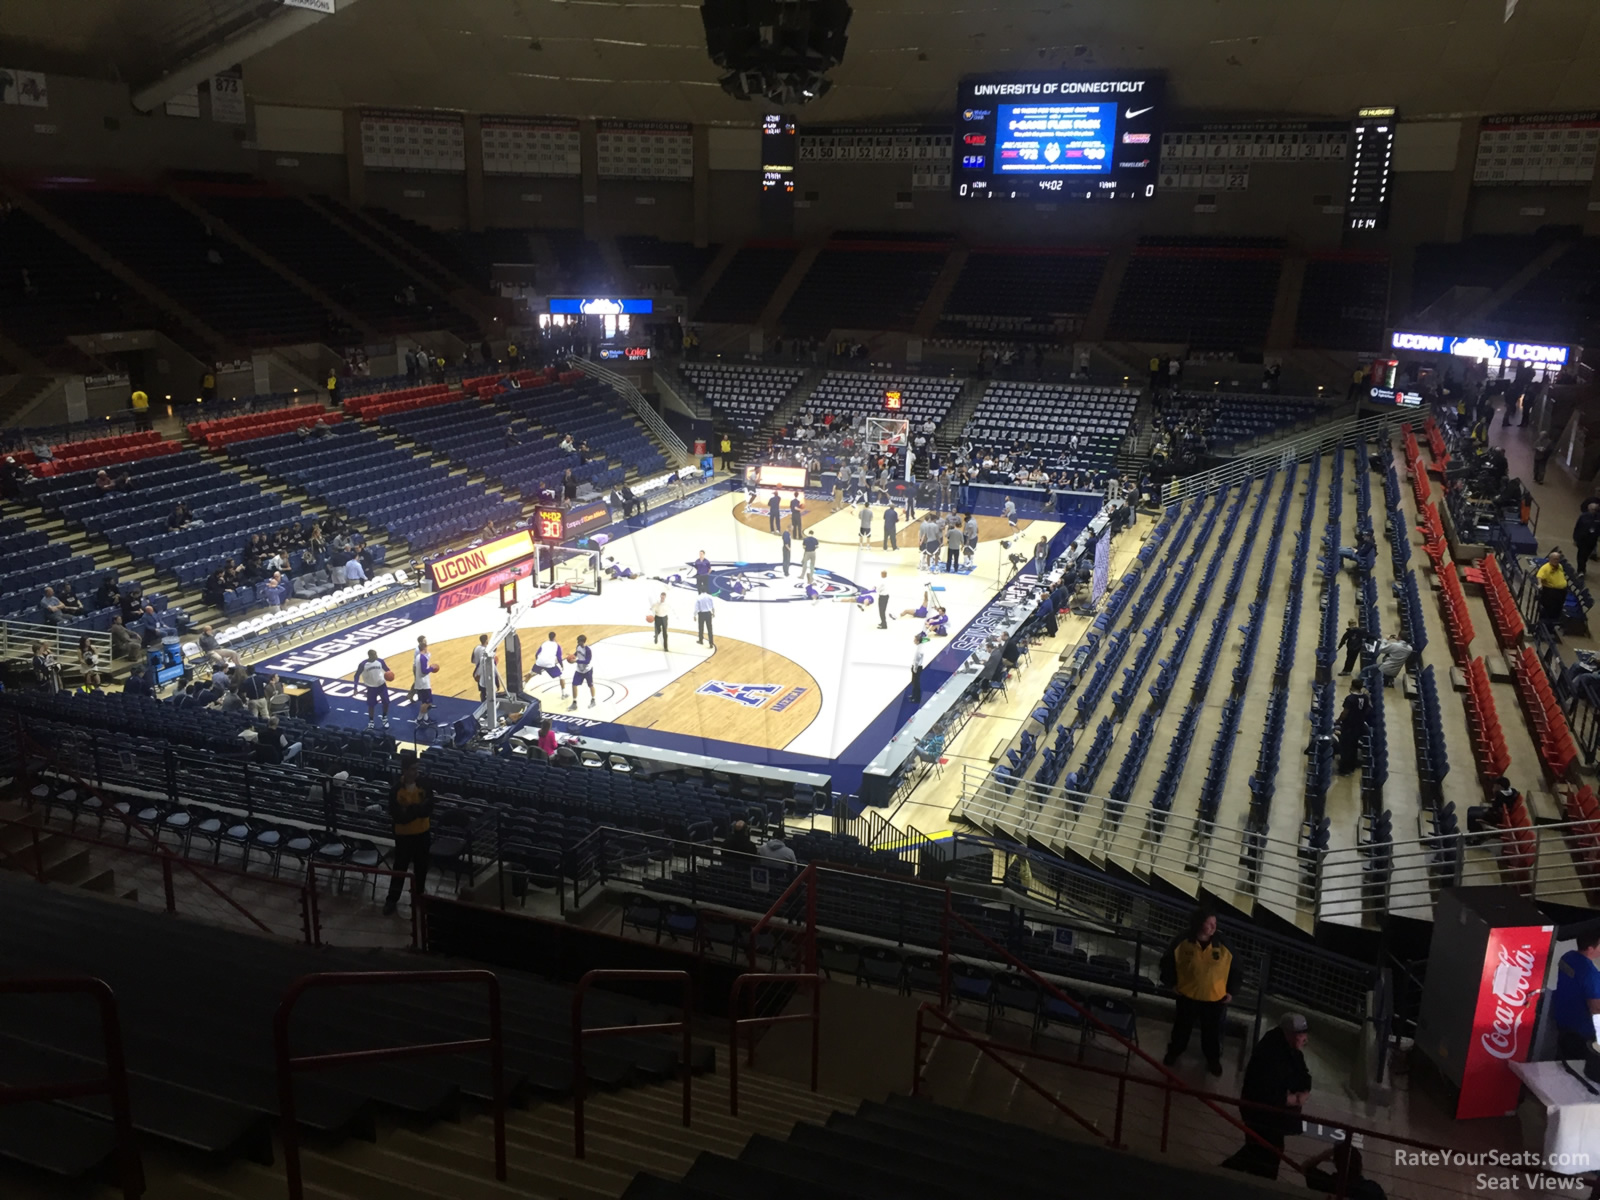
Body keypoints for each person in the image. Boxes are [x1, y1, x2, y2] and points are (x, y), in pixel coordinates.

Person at [1221, 1013, 1312, 1179]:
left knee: (1258, 1150)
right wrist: (1290, 1099)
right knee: (1266, 1153)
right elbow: (1263, 1090)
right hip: (1261, 1113)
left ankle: (1222, 1174)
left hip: (1271, 1115)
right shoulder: (1270, 1053)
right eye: (1300, 1034)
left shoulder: (1291, 1050)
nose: (1304, 1038)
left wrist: (1304, 1091)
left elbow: (1304, 1076)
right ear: (1288, 1033)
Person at [1160, 908, 1237, 1076]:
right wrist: (1171, 983)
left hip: (1215, 998)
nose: (1213, 927)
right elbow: (1167, 963)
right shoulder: (1181, 941)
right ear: (1198, 924)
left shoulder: (1224, 944)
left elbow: (1236, 968)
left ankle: (1213, 1060)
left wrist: (1231, 990)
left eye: (1215, 923)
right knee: (1181, 1028)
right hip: (1187, 996)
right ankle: (1174, 1052)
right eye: (1209, 923)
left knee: (1212, 1032)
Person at [383, 755, 433, 916]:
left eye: (417, 769)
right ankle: (392, 899)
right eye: (412, 769)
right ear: (404, 770)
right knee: (400, 868)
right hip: (404, 836)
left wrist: (410, 810)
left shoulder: (425, 785)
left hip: (423, 834)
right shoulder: (395, 790)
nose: (415, 772)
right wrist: (417, 810)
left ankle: (419, 897)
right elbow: (399, 817)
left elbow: (429, 809)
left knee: (421, 868)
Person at [1551, 928, 1600, 1060]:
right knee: (1576, 1065)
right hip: (1581, 1031)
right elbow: (1595, 1008)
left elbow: (1578, 980)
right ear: (1590, 949)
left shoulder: (1567, 957)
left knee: (1562, 1060)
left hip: (1562, 1020)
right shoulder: (1591, 974)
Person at [1302, 1144, 1385, 1200]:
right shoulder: (1374, 1189)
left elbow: (1306, 1167)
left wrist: (1322, 1156)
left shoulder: (1329, 1184)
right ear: (1360, 1165)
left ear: (1336, 1165)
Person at [1334, 678, 1370, 775]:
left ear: (1352, 686)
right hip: (1359, 725)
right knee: (1354, 746)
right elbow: (1366, 710)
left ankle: (1344, 768)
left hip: (1349, 726)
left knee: (1346, 747)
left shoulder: (1350, 699)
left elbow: (1345, 713)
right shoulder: (1365, 698)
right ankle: (1352, 765)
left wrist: (1338, 721)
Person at [354, 648, 392, 731]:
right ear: (370, 656)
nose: (376, 656)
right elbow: (356, 675)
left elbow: (387, 669)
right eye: (374, 655)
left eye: (376, 654)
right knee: (371, 705)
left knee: (386, 702)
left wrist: (390, 674)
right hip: (371, 687)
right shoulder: (363, 664)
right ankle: (371, 721)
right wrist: (355, 688)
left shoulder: (380, 661)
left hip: (382, 685)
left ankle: (384, 717)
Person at [411, 635, 439, 727]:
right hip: (423, 684)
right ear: (424, 648)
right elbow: (424, 671)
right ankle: (419, 719)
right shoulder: (422, 658)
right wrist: (431, 668)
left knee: (424, 702)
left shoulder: (419, 656)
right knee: (427, 703)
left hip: (421, 683)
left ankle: (426, 719)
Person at [1537, 550, 1569, 625]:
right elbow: (1539, 576)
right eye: (1555, 559)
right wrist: (1540, 584)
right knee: (1549, 610)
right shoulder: (1545, 568)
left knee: (1558, 609)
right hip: (1551, 593)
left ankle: (1553, 625)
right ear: (1550, 559)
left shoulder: (1560, 566)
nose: (1556, 561)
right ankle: (1545, 625)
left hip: (1561, 592)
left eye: (1558, 559)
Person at [533, 631, 566, 702]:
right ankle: (563, 694)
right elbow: (559, 658)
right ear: (554, 637)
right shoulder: (557, 646)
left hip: (539, 662)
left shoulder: (544, 644)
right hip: (549, 664)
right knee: (561, 676)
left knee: (531, 673)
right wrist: (562, 665)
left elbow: (536, 654)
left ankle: (523, 686)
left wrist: (538, 663)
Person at [570, 633, 596, 710]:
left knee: (590, 685)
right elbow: (576, 653)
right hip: (579, 670)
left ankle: (593, 700)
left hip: (587, 670)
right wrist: (572, 656)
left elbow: (587, 661)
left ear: (583, 641)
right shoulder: (578, 647)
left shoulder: (588, 650)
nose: (577, 642)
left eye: (579, 641)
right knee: (574, 684)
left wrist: (576, 661)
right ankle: (574, 703)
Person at [1576, 502, 1600, 576]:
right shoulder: (1583, 516)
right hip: (1582, 540)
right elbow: (1577, 527)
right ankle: (1581, 570)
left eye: (1595, 509)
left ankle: (1582, 568)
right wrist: (1575, 538)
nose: (1593, 510)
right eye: (1592, 509)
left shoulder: (1598, 518)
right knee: (1581, 555)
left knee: (1585, 555)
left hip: (1592, 541)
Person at [470, 633, 494, 702]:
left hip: (478, 673)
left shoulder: (476, 648)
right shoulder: (487, 650)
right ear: (486, 640)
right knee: (488, 692)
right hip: (485, 674)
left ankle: (482, 703)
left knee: (482, 692)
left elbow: (472, 660)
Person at [909, 633, 926, 704]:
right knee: (914, 681)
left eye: (915, 640)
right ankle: (913, 695)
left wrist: (914, 669)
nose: (914, 641)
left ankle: (917, 698)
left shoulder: (919, 650)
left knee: (916, 683)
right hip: (917, 666)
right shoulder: (920, 647)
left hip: (917, 667)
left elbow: (917, 660)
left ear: (918, 641)